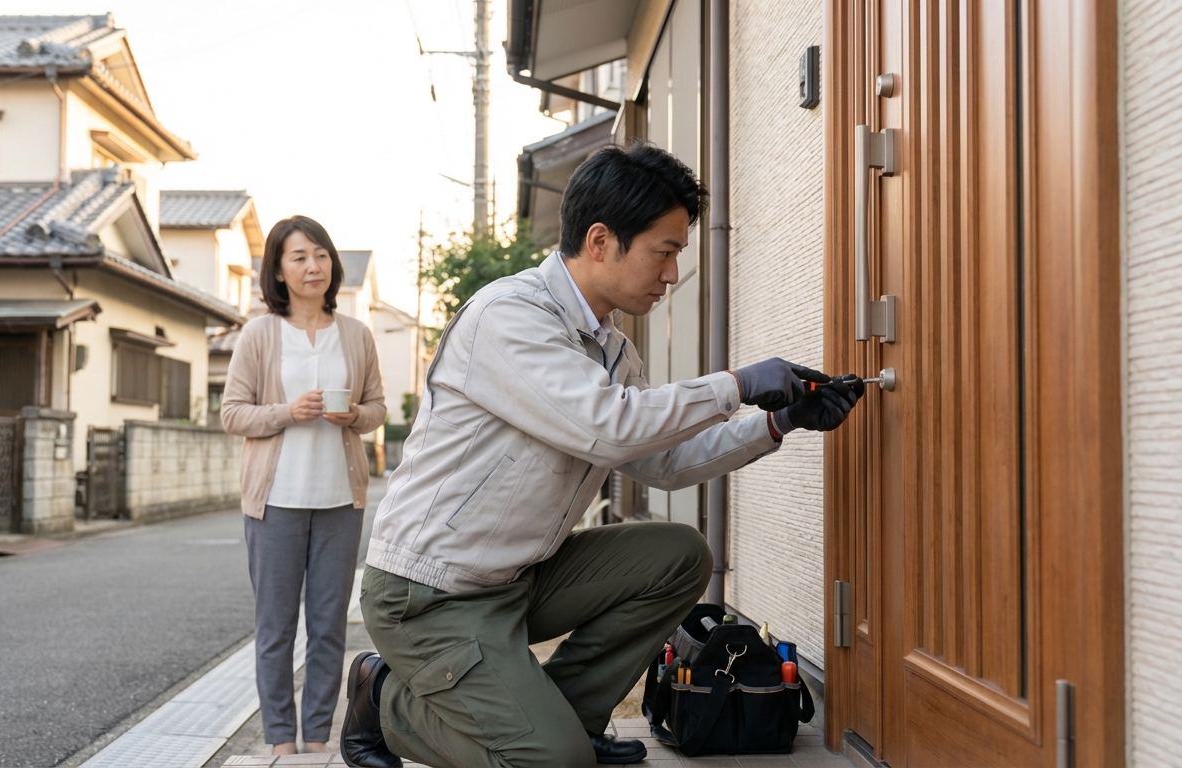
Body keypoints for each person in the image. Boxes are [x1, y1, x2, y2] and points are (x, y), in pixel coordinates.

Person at [339, 143, 863, 768]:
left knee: (678, 557)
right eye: (664, 252)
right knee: (552, 764)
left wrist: (776, 423)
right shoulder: (510, 318)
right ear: (599, 240)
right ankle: (385, 699)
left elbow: (660, 462)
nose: (671, 274)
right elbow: (611, 427)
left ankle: (568, 719)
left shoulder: (611, 348)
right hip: (429, 592)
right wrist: (738, 384)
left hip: (515, 579)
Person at [221, 215, 386, 756]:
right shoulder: (260, 333)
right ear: (279, 270)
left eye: (320, 254)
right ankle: (278, 742)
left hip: (340, 501)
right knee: (274, 629)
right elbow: (232, 413)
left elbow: (379, 409)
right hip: (275, 503)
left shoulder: (356, 334)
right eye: (299, 257)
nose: (313, 266)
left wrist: (357, 414)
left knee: (329, 629)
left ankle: (316, 739)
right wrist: (287, 413)